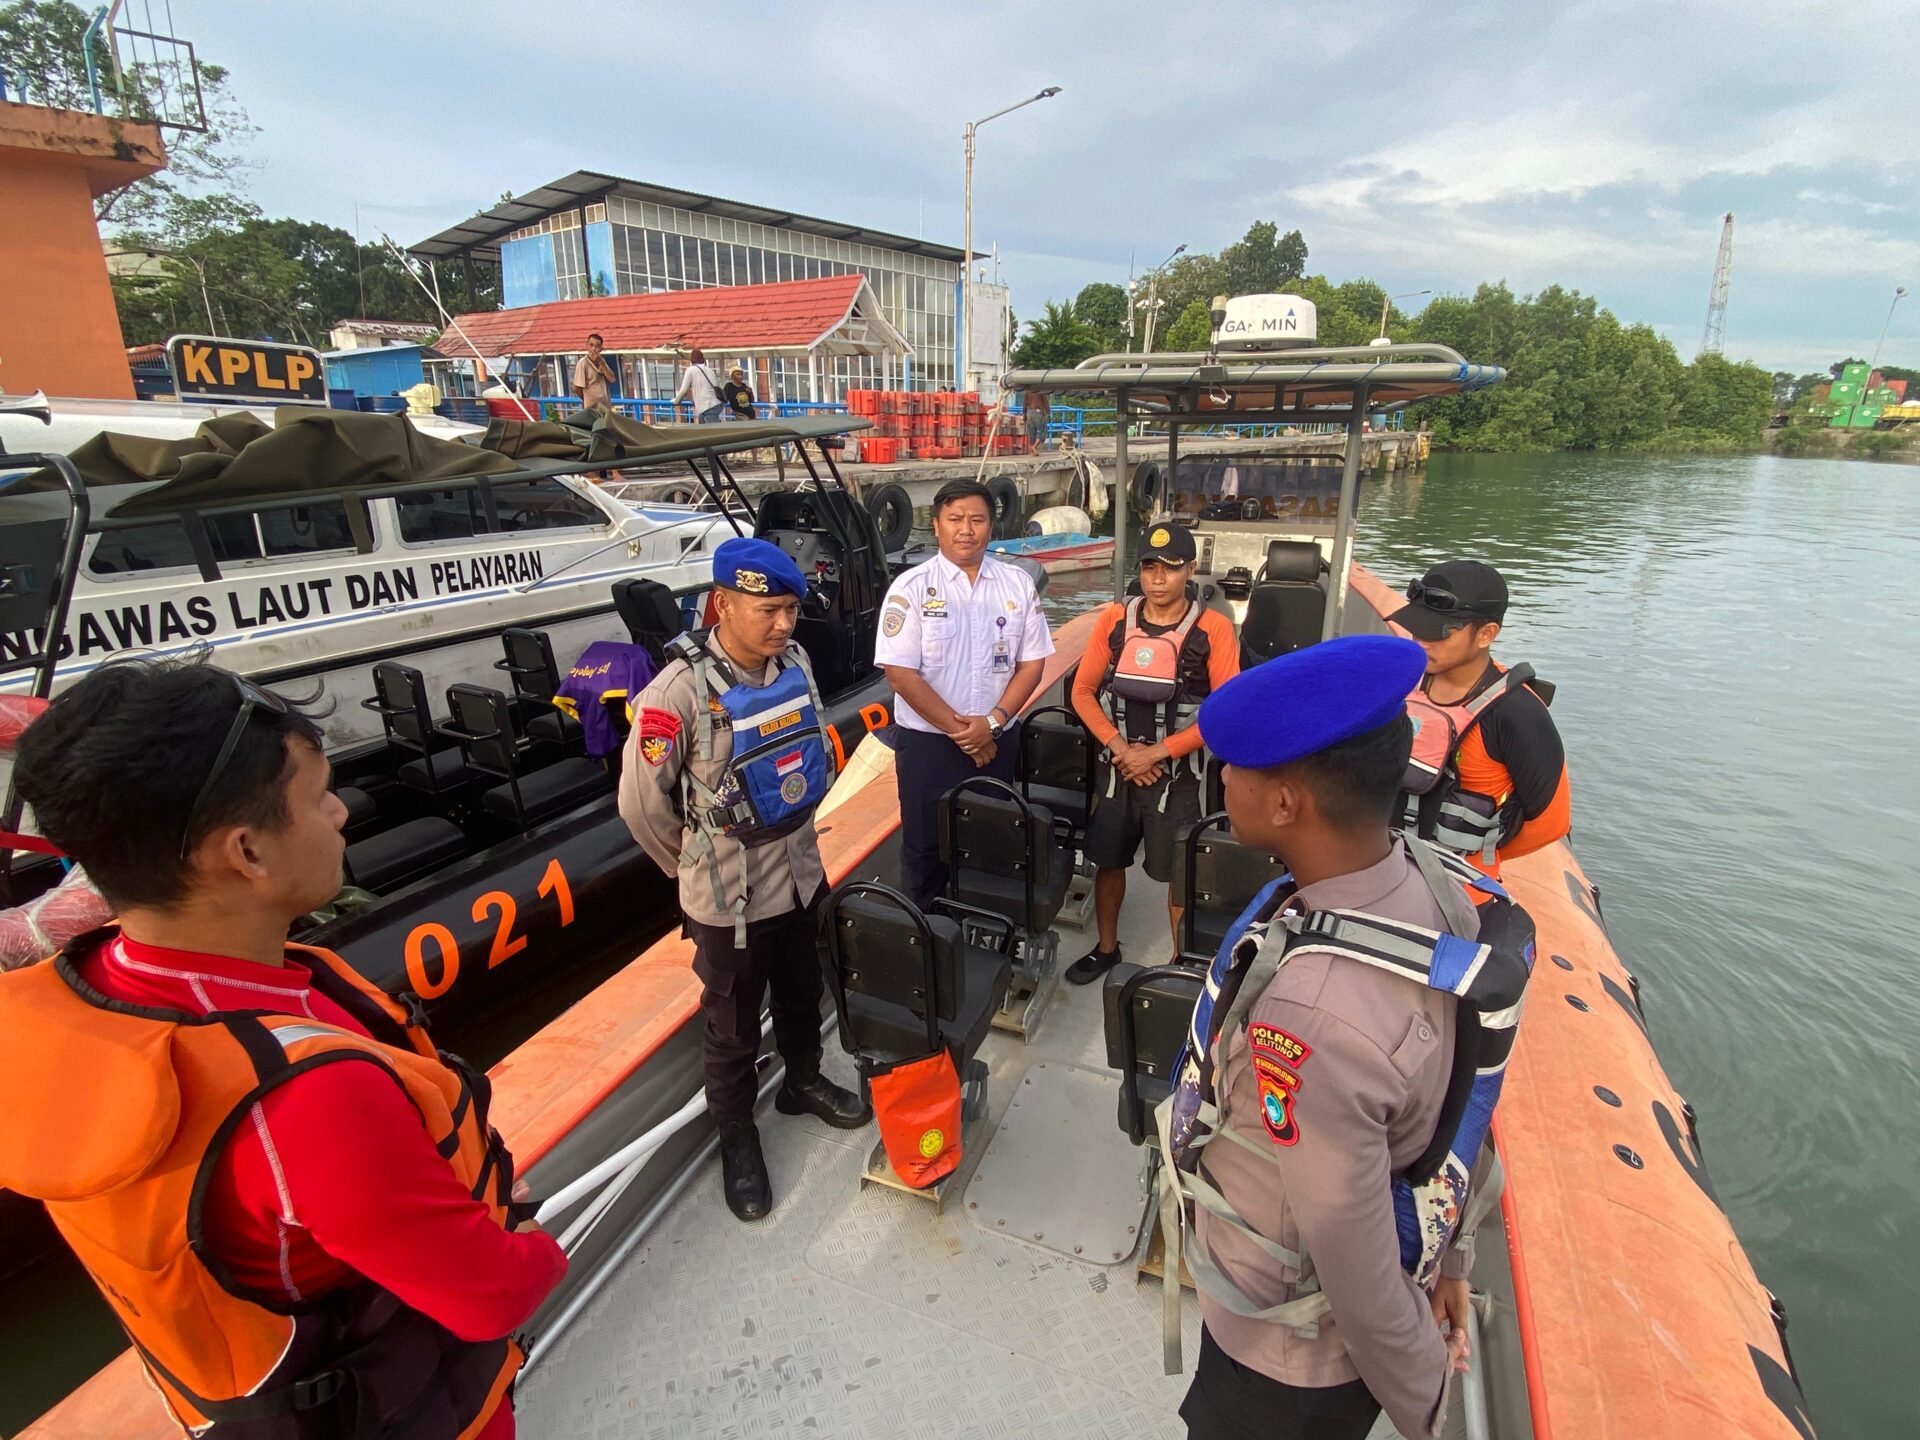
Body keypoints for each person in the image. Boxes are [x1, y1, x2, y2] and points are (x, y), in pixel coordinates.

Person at [0, 659, 565, 1439]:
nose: (340, 814)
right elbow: (493, 1293)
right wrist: (534, 1247)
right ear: (248, 854)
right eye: (319, 796)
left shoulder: (88, 992)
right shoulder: (308, 1100)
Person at [1167, 635, 1534, 1440]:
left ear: (1289, 802)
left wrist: (1435, 1411)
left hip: (1285, 1363)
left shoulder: (1312, 1022)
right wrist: (1449, 1258)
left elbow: (1358, 1274)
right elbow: (1450, 1105)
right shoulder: (1430, 884)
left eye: (1236, 767)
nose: (1222, 777)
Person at [618, 537, 870, 1222]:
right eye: (770, 610)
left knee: (802, 985)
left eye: (791, 609)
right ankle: (738, 1138)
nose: (784, 624)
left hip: (798, 869)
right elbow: (641, 803)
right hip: (728, 894)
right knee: (731, 1027)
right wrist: (690, 867)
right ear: (722, 604)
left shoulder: (797, 663)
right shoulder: (676, 693)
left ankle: (804, 1082)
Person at [1064, 522, 1239, 984]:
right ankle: (1106, 947)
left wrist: (1159, 752)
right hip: (1118, 769)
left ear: (1191, 570)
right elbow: (1082, 692)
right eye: (1149, 567)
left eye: (1171, 568)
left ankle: (1182, 967)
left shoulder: (1214, 630)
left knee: (1179, 877)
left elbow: (1224, 712)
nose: (1158, 578)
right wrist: (1121, 749)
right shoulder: (1114, 621)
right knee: (1109, 860)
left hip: (1180, 778)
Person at [874, 478, 1054, 909]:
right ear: (936, 525)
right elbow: (900, 675)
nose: (966, 529)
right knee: (924, 852)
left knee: (991, 845)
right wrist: (967, 734)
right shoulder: (910, 589)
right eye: (955, 519)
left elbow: (1032, 664)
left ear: (992, 527)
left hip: (997, 741)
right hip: (927, 747)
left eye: (977, 519)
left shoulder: (1017, 584)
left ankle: (986, 937)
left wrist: (991, 724)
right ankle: (930, 947)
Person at [1388, 560, 1570, 879]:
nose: (1422, 641)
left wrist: (1478, 856)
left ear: (1486, 634)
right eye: (1418, 627)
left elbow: (1551, 823)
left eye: (1440, 632)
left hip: (1458, 885)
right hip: (1386, 865)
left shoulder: (1516, 713)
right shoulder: (1403, 680)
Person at [675, 346, 725, 423]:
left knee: (709, 432)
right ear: (703, 360)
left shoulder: (690, 370)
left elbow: (684, 390)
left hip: (706, 406)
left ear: (692, 361)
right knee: (709, 431)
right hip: (716, 404)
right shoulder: (710, 370)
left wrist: (676, 402)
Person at [573, 331, 615, 414]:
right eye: (591, 345)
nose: (593, 349)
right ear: (587, 346)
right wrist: (587, 400)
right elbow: (577, 388)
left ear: (601, 349)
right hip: (592, 409)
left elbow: (612, 379)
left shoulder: (602, 362)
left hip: (605, 408)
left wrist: (602, 363)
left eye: (597, 347)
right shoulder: (582, 363)